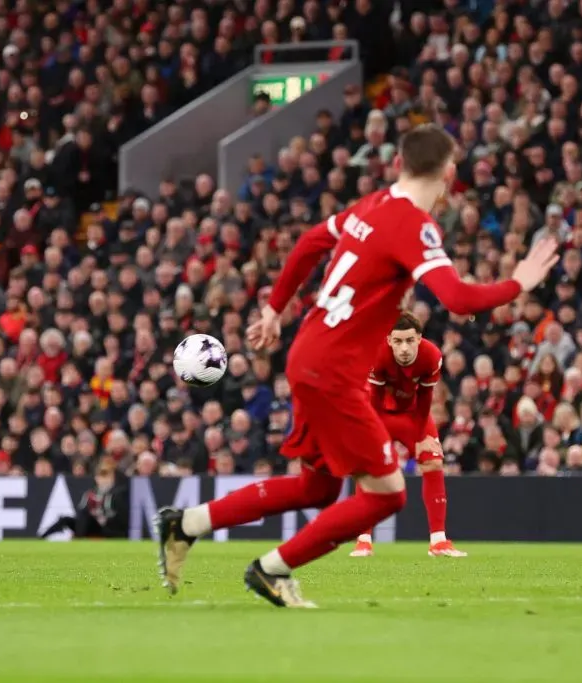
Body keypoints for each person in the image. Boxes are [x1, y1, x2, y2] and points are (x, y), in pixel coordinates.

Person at [153, 123, 558, 608]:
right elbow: (457, 298)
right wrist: (519, 282)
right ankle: (270, 570)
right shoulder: (412, 223)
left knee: (317, 487)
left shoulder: (372, 206)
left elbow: (308, 242)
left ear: (400, 164)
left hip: (310, 354)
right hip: (335, 370)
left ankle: (187, 524)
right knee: (387, 494)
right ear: (449, 171)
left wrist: (274, 308)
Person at [351, 312, 465, 558]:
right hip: (380, 414)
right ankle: (363, 540)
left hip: (414, 415)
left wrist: (421, 436)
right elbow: (375, 403)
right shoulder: (377, 354)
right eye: (399, 341)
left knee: (433, 461)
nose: (404, 348)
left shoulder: (432, 355)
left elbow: (425, 399)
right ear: (389, 340)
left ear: (419, 339)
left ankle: (438, 541)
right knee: (370, 467)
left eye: (410, 341)